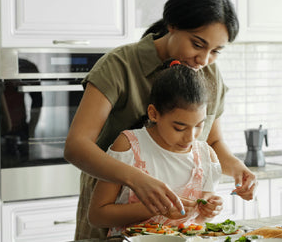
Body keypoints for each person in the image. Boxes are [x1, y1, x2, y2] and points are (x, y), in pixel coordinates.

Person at [64, 0, 257, 240]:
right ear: (172, 25)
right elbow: (76, 146)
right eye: (197, 44)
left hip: (177, 229)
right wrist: (136, 179)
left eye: (215, 51)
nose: (204, 59)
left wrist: (238, 169)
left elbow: (212, 141)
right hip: (113, 213)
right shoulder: (119, 65)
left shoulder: (209, 73)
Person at [88, 63, 222, 235]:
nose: (190, 137)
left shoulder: (206, 156)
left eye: (199, 126)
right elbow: (97, 216)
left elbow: (201, 220)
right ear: (153, 113)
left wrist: (211, 210)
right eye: (179, 128)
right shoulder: (129, 146)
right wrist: (156, 208)